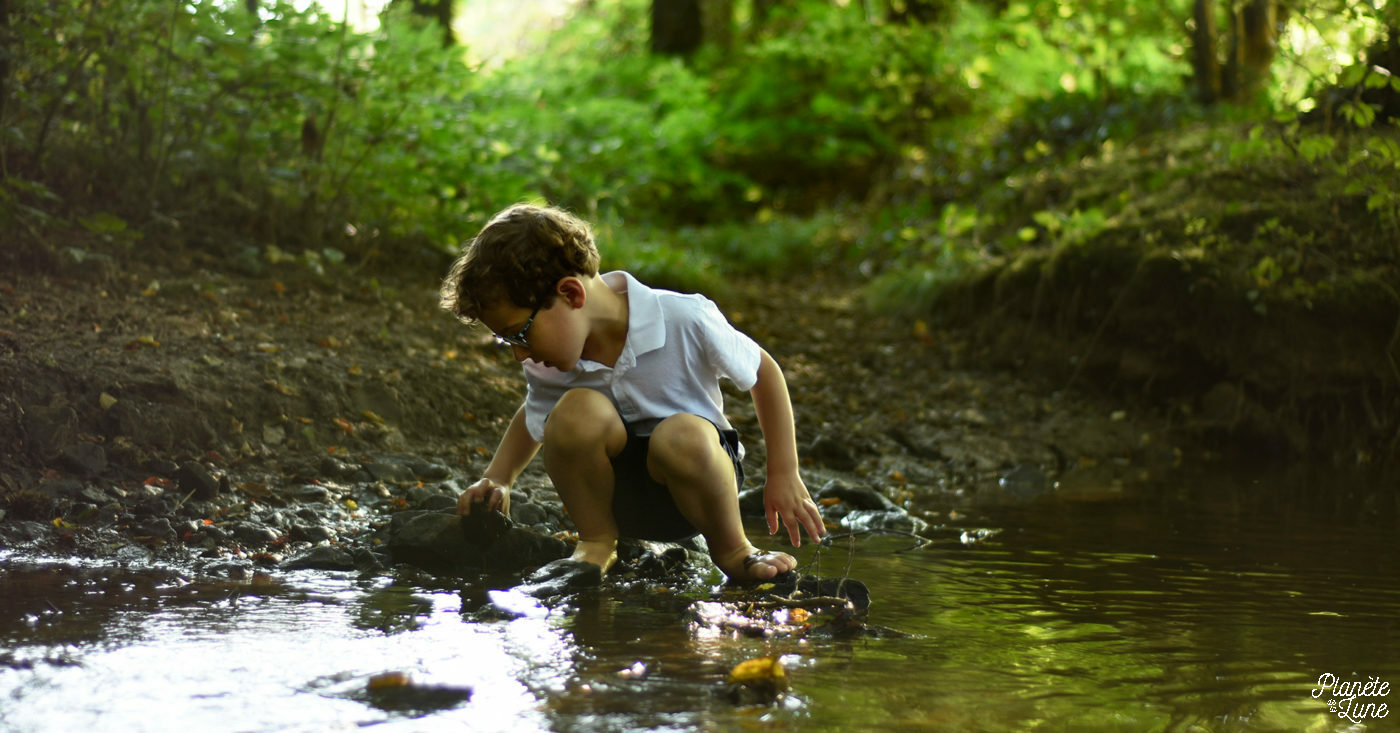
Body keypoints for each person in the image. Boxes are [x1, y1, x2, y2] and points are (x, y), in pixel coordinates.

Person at [439, 203, 825, 584]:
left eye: (518, 333)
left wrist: (783, 472)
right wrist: (499, 476)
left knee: (681, 433)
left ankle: (735, 551)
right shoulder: (549, 360)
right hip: (615, 502)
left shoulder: (684, 318)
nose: (519, 353)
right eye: (506, 339)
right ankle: (596, 545)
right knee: (574, 409)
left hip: (696, 490)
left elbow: (763, 371)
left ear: (572, 294)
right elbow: (536, 413)